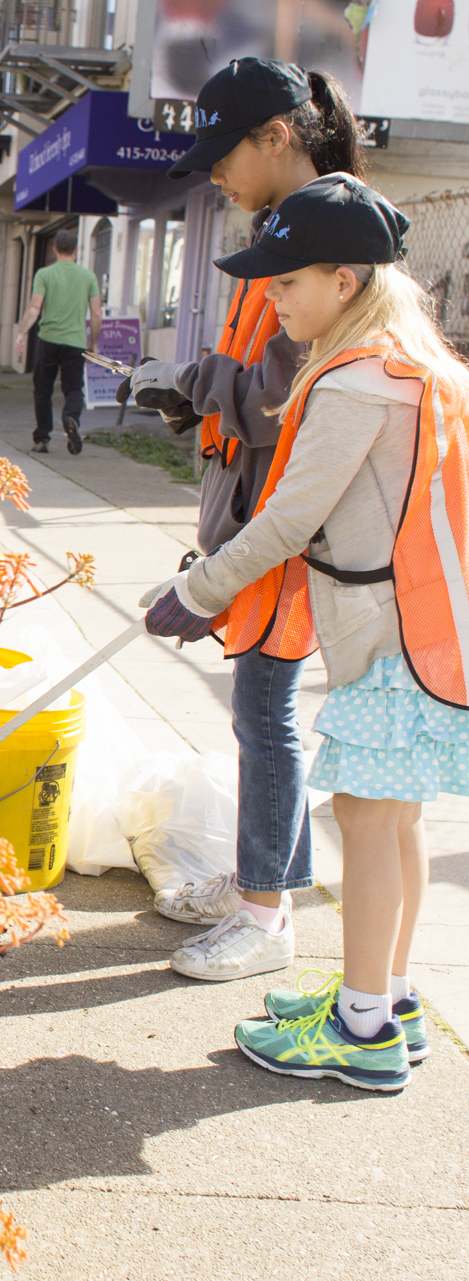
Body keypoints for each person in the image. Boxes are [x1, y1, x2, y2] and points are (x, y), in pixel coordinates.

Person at [141, 175, 469, 1091]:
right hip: (427, 641)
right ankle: (388, 998)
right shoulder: (415, 368)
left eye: (287, 282)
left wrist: (199, 591)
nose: (273, 298)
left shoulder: (358, 384)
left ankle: (359, 1028)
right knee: (395, 823)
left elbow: (289, 517)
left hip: (392, 648)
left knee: (366, 823)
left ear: (347, 278)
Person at [122, 58, 369, 982]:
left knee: (266, 713)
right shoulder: (281, 223)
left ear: (276, 136)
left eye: (223, 151)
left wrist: (196, 385)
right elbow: (256, 372)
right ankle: (267, 882)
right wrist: (203, 402)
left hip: (283, 522)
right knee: (263, 711)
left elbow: (284, 385)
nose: (212, 172)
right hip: (251, 508)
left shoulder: (322, 226)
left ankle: (266, 917)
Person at [15, 226, 101, 455]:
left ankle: (42, 438)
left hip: (49, 340)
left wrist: (22, 333)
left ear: (54, 249)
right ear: (76, 250)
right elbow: (96, 314)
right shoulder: (88, 276)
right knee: (74, 388)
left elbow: (35, 307)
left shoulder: (45, 274)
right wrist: (93, 343)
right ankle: (71, 417)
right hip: (76, 342)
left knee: (42, 389)